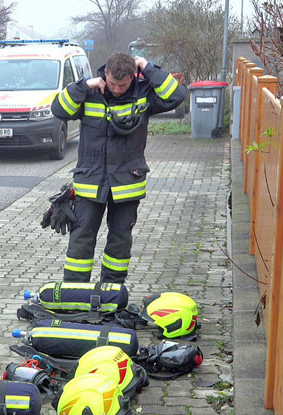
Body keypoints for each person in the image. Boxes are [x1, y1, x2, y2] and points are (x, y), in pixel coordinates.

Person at [50, 52, 186, 283]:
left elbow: (177, 95)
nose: (117, 89)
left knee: (120, 242)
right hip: (90, 183)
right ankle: (75, 291)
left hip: (126, 184)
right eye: (112, 83)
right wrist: (84, 85)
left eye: (123, 85)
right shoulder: (90, 93)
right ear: (106, 74)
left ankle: (111, 291)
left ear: (133, 76)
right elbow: (59, 109)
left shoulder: (143, 93)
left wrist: (147, 68)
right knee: (81, 238)